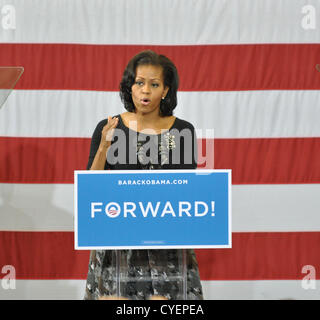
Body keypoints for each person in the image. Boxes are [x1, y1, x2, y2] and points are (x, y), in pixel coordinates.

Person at [84, 50, 203, 300]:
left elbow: (186, 193)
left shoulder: (184, 131)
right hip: (117, 245)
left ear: (166, 90)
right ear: (130, 87)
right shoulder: (109, 127)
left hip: (166, 247)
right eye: (139, 83)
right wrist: (105, 146)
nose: (145, 91)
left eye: (154, 84)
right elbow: (91, 190)